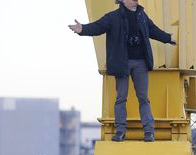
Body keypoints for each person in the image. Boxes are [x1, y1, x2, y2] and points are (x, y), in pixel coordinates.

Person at [69, 0, 176, 142]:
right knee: (121, 98)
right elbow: (98, 27)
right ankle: (120, 131)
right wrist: (82, 29)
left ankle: (149, 132)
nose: (136, 0)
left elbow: (153, 30)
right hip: (122, 63)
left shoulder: (141, 15)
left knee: (143, 98)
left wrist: (168, 38)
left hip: (140, 63)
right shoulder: (113, 17)